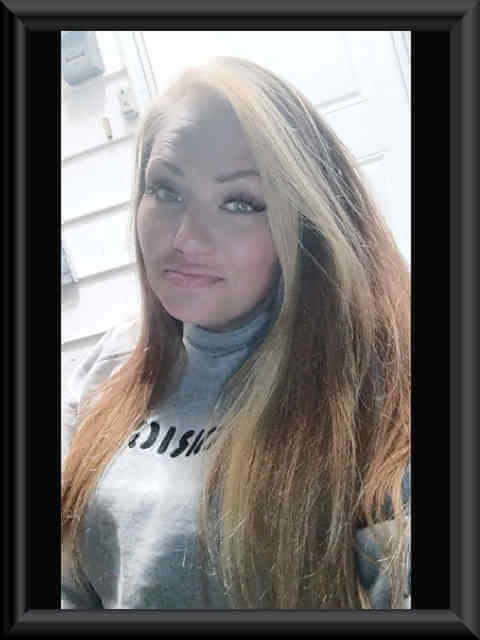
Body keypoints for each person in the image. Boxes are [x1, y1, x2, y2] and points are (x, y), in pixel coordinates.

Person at [61, 56, 411, 609]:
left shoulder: (377, 393)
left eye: (240, 202)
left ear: (307, 223)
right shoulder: (107, 369)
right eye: (166, 191)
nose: (185, 238)